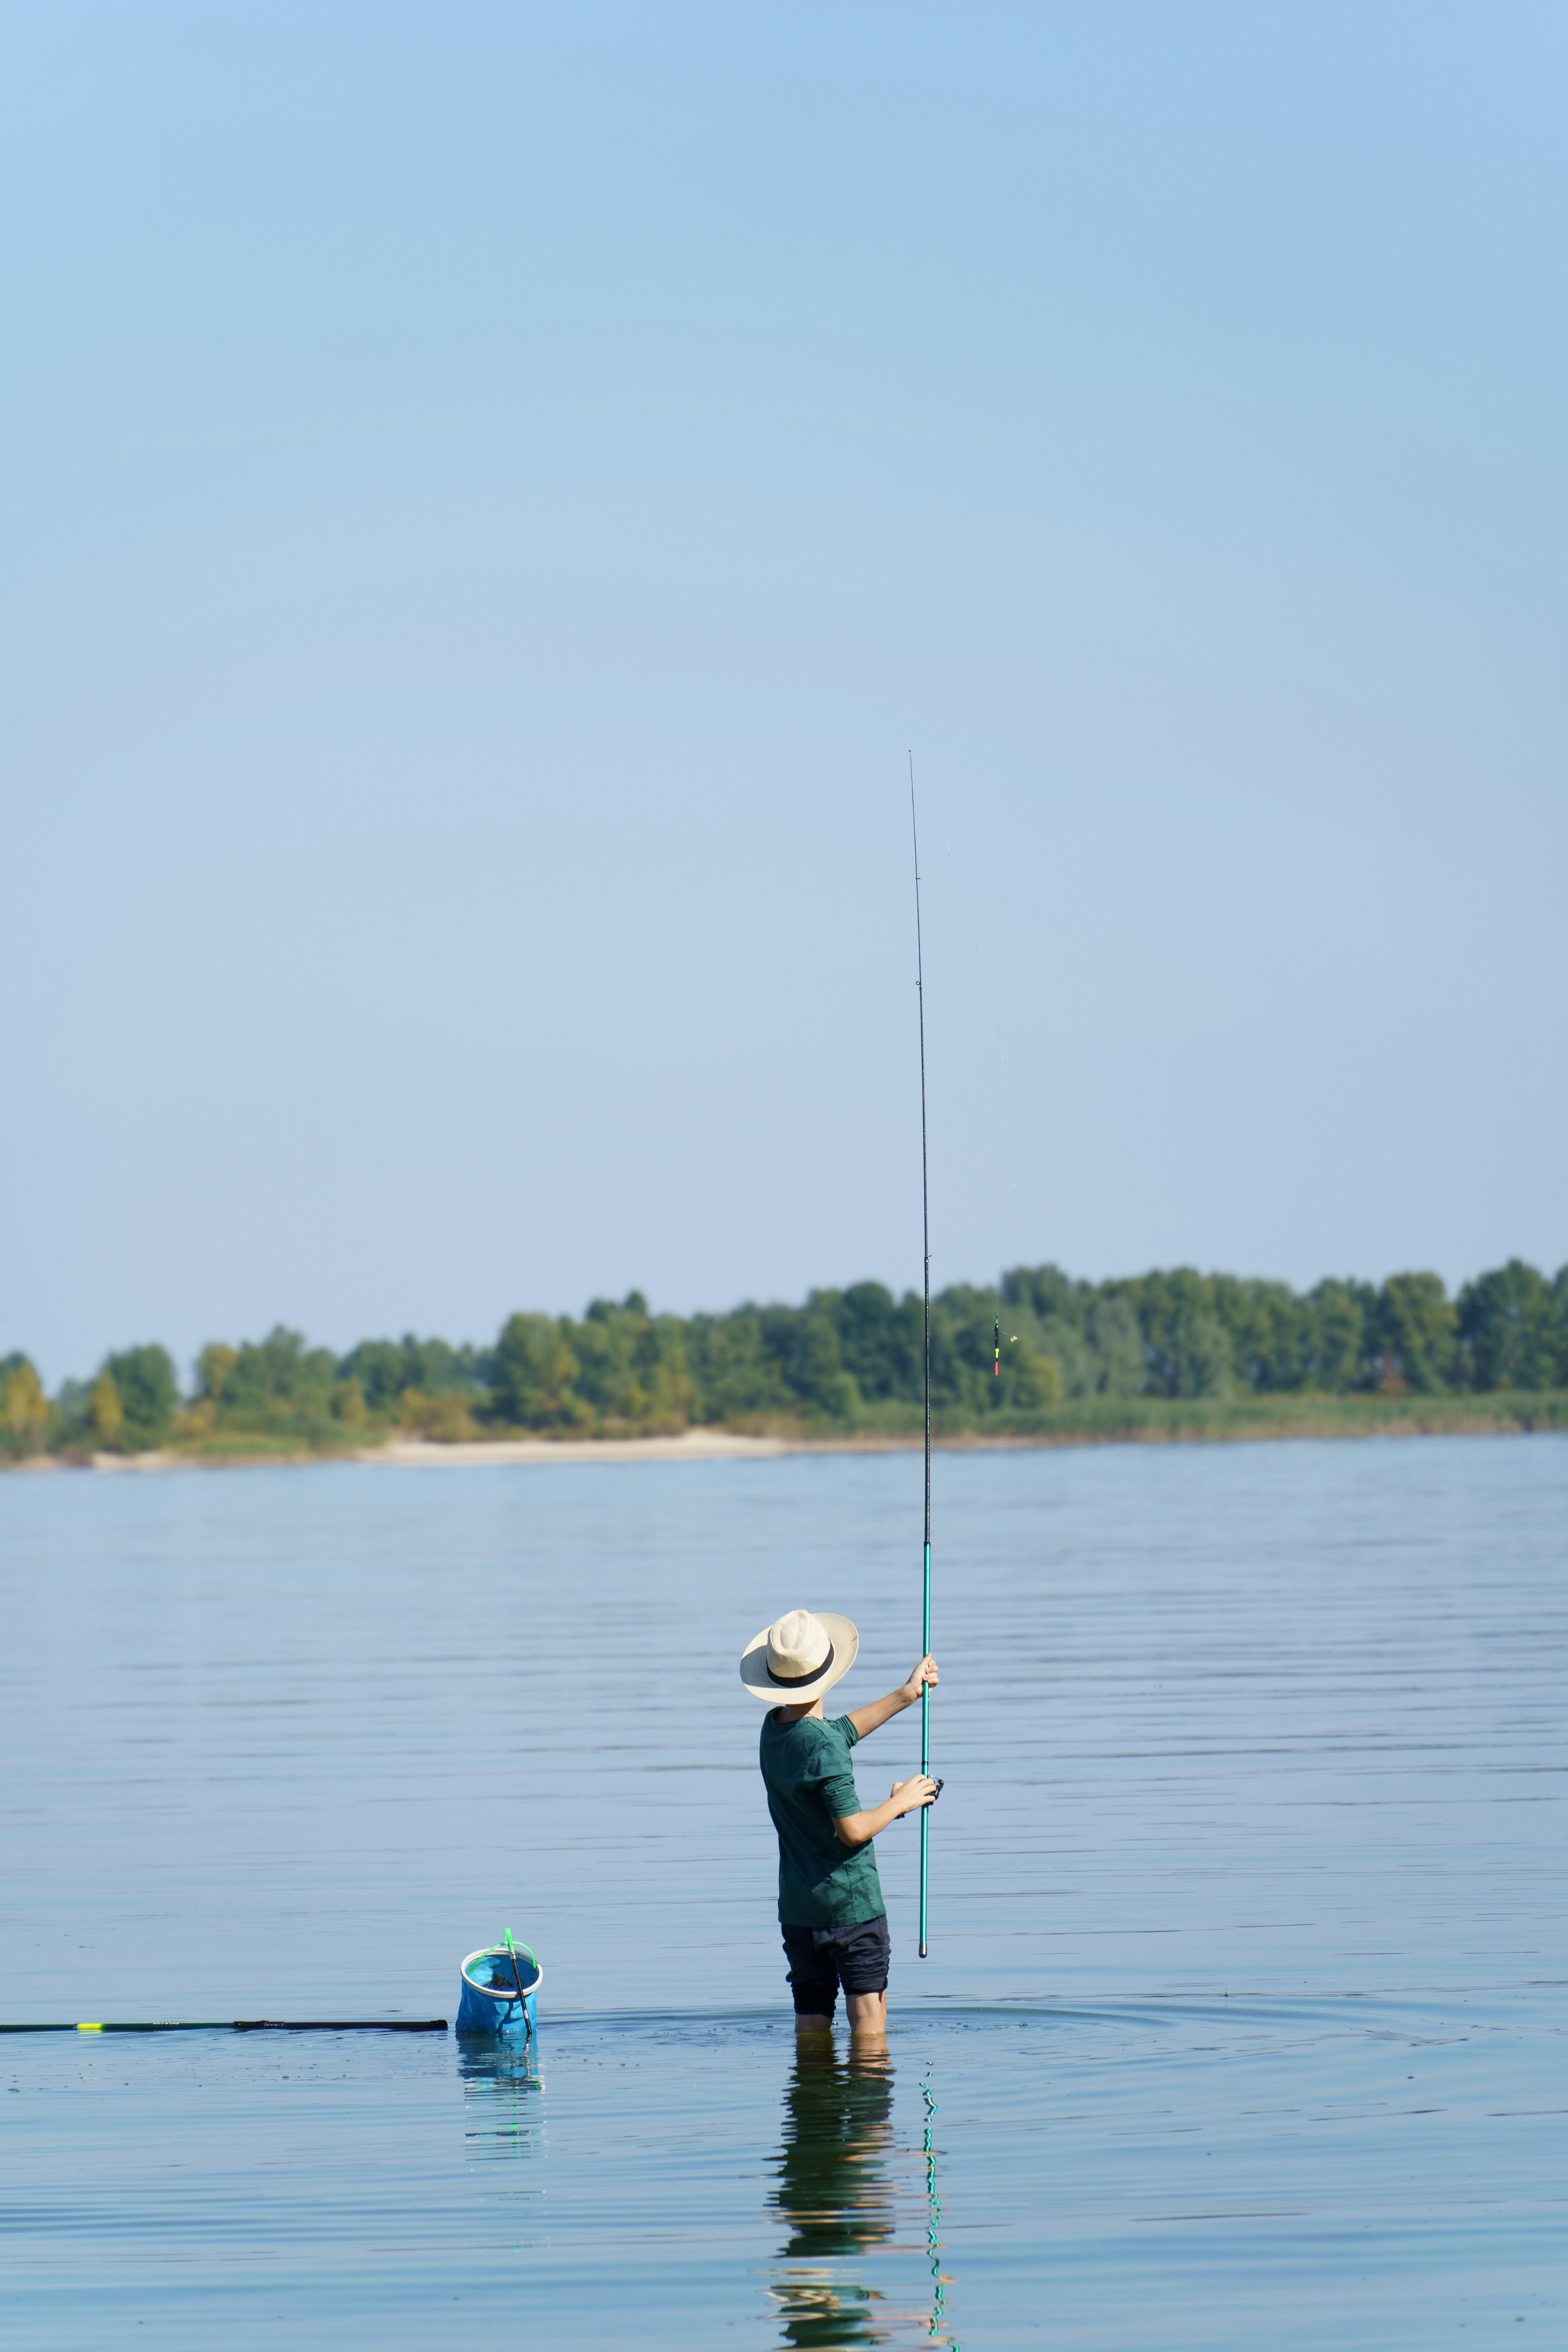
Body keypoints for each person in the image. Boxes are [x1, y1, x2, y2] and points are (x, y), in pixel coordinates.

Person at [740, 1607, 938, 2040]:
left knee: (811, 2020)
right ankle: (866, 2102)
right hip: (851, 1908)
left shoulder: (774, 1730)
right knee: (869, 2023)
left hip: (798, 1910)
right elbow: (851, 1830)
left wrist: (906, 1695)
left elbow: (840, 1732)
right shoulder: (824, 1745)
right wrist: (901, 1802)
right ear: (830, 1668)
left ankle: (812, 2102)